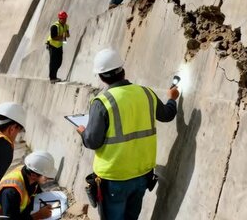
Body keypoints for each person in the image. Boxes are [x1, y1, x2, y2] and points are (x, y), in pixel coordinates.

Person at [77, 48, 180, 220]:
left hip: (114, 178)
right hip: (141, 175)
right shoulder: (146, 93)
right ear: (122, 70)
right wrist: (172, 99)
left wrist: (83, 132)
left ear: (101, 77)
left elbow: (92, 141)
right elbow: (167, 115)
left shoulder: (102, 102)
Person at [0, 151, 56, 219]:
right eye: (46, 176)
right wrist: (38, 215)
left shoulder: (29, 173)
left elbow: (36, 194)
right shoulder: (11, 192)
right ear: (33, 175)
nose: (49, 179)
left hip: (12, 212)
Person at [47, 11, 70, 83]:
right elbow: (53, 37)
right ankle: (52, 78)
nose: (64, 20)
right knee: (53, 62)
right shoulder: (54, 26)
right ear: (59, 19)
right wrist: (62, 36)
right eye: (63, 19)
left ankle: (55, 76)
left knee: (59, 62)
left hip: (59, 46)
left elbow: (68, 35)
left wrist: (65, 37)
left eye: (65, 19)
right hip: (52, 45)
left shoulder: (66, 26)